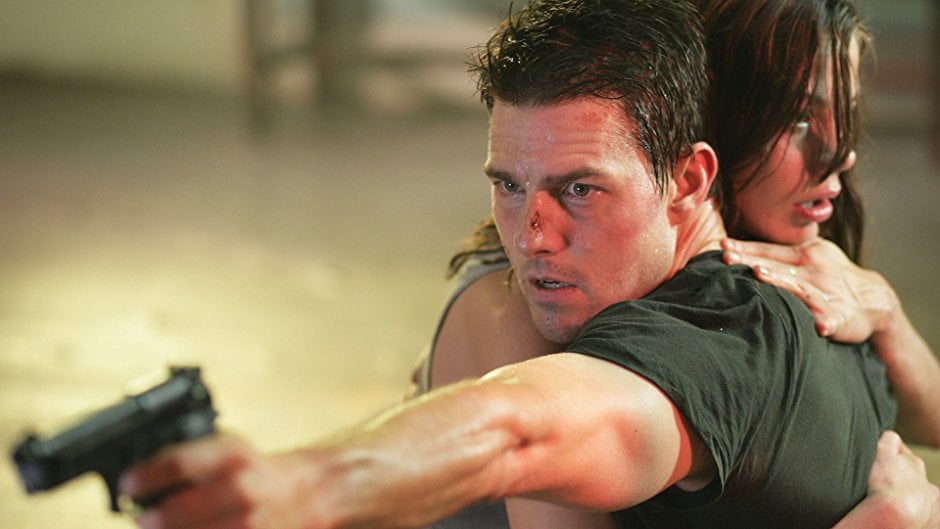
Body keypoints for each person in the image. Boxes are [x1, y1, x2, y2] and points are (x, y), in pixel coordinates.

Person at [120, 1, 909, 527]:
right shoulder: (512, 306)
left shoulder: (750, 326)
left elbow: (519, 433)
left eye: (580, 189)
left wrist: (310, 486)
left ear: (691, 176)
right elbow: (512, 424)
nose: (533, 236)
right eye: (510, 185)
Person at [410, 0, 940, 525]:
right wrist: (889, 519)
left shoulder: (791, 279)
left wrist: (887, 314)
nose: (840, 152)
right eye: (799, 120)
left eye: (846, 112)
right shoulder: (530, 301)